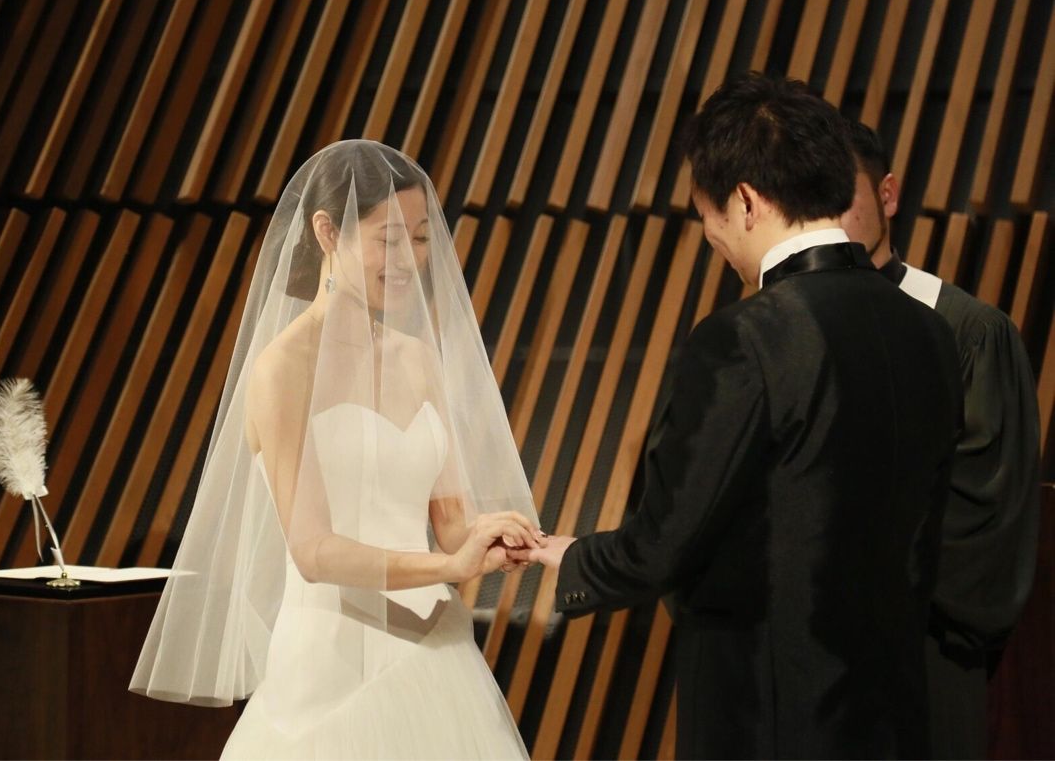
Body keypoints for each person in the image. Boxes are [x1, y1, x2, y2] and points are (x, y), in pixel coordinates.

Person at [512, 73, 963, 758]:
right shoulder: (928, 330)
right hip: (893, 714)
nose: (710, 236)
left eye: (707, 214)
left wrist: (568, 553)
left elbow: (667, 539)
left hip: (769, 717)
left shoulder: (746, 336)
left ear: (746, 202)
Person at [131, 140, 541, 759]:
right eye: (388, 239)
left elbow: (451, 523)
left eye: (420, 239)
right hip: (330, 661)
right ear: (327, 232)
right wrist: (449, 568)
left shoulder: (418, 358)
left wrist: (488, 538)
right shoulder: (283, 369)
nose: (408, 259)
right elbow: (313, 550)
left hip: (434, 648)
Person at [840, 120, 1041, 759]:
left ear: (888, 194)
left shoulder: (969, 333)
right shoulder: (768, 337)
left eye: (839, 196)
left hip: (922, 657)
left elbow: (984, 521)